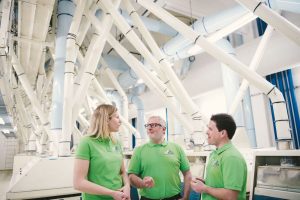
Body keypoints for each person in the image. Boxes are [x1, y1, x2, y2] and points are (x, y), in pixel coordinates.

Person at [73, 104, 130, 200]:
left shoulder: (116, 142)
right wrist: (112, 193)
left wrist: (127, 186)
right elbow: (78, 183)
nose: (120, 121)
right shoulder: (87, 142)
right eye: (117, 117)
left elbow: (122, 171)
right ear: (106, 120)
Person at [128, 116, 192, 200]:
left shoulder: (177, 148)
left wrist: (186, 197)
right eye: (148, 125)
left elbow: (187, 173)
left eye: (154, 125)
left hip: (174, 197)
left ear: (164, 129)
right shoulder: (139, 151)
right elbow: (131, 176)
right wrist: (142, 183)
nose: (150, 128)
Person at [191, 113, 247, 200]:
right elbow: (219, 184)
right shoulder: (214, 154)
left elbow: (231, 196)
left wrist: (205, 188)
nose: (206, 132)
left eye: (210, 129)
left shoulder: (231, 157)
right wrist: (205, 183)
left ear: (222, 133)